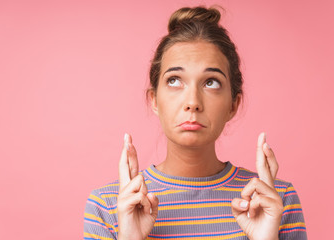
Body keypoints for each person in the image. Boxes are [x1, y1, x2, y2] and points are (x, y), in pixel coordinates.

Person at [83, 6, 307, 240]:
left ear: (233, 104)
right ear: (154, 100)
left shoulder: (276, 201)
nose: (193, 102)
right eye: (174, 80)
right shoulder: (108, 206)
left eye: (211, 82)